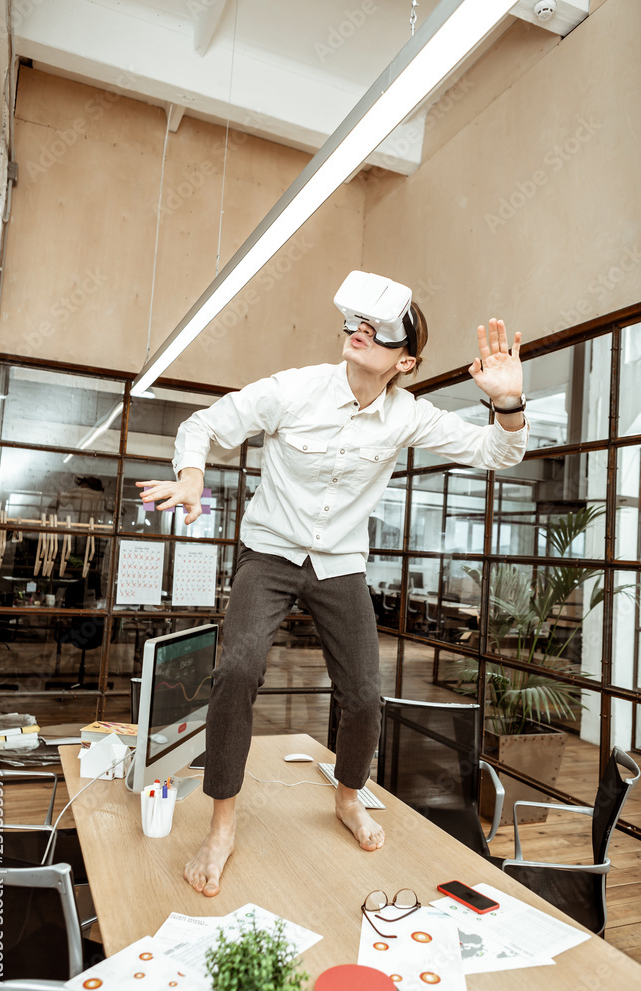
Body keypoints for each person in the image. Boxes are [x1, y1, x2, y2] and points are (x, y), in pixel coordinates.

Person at [136, 270, 528, 897]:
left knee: (365, 696)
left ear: (406, 362)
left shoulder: (408, 416)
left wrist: (507, 403)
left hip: (340, 564)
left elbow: (499, 453)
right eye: (355, 322)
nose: (358, 332)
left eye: (377, 330)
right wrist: (190, 477)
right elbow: (203, 424)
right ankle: (222, 823)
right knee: (236, 672)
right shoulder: (295, 390)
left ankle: (348, 797)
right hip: (268, 554)